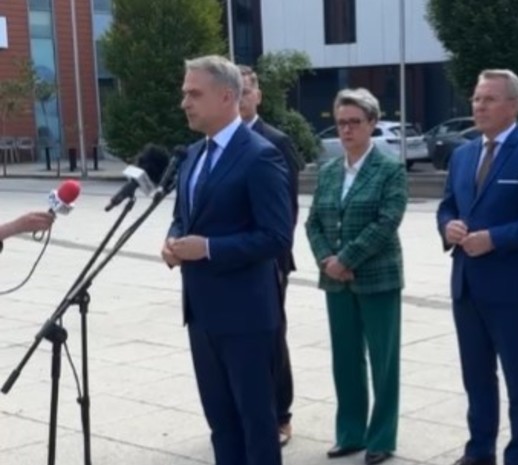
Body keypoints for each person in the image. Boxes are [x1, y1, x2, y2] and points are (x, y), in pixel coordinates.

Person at [162, 54, 292, 465]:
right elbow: (183, 216)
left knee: (256, 424)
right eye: (184, 93)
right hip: (202, 314)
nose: (184, 102)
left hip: (246, 317)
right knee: (221, 423)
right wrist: (172, 240)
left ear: (226, 96)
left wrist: (209, 249)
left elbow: (276, 236)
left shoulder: (260, 155)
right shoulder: (192, 156)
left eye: (194, 93)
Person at [436, 69, 518, 465]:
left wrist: (495, 238)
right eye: (477, 98)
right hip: (467, 285)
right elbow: (447, 205)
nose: (479, 106)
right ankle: (479, 451)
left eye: (489, 99)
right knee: (476, 377)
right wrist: (448, 226)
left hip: (513, 287)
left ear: (514, 104)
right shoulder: (463, 155)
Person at [305, 88, 407, 465]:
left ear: (372, 123)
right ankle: (350, 433)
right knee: (345, 359)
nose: (346, 130)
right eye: (341, 123)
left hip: (378, 278)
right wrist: (326, 260)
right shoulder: (330, 171)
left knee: (383, 361)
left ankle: (381, 437)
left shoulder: (390, 169)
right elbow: (313, 222)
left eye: (354, 122)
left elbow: (387, 222)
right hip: (336, 280)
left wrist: (346, 258)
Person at [239, 64, 301, 447]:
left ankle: (280, 414)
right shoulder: (218, 142)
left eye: (246, 91)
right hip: (229, 264)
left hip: (269, 262)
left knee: (271, 337)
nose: (241, 98)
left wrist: (274, 254)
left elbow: (287, 209)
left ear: (258, 96)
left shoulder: (276, 142)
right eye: (235, 91)